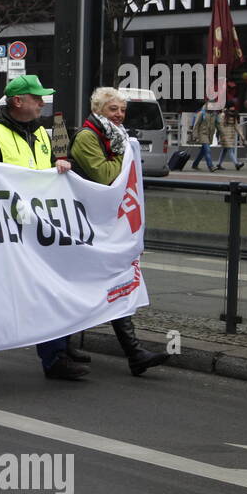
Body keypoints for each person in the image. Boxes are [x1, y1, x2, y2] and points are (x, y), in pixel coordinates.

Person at [0, 74, 87, 381]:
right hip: (5, 230)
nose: (42, 102)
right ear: (17, 101)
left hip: (38, 228)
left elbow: (44, 172)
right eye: (36, 98)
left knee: (47, 288)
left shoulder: (40, 133)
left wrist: (59, 168)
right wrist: (13, 210)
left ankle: (56, 355)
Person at [70, 87, 172, 377]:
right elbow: (104, 174)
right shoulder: (89, 137)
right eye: (114, 109)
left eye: (122, 110)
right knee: (81, 286)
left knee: (117, 280)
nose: (120, 115)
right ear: (99, 109)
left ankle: (134, 352)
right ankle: (61, 347)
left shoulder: (114, 136)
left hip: (106, 225)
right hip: (88, 225)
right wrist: (124, 154)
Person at [190, 102, 221, 171]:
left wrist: (220, 132)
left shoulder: (215, 115)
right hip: (202, 134)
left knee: (203, 152)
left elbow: (218, 125)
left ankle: (195, 164)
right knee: (207, 150)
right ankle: (211, 166)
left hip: (210, 135)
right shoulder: (201, 113)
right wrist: (195, 136)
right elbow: (196, 125)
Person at [216, 105, 245, 170]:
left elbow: (236, 126)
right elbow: (220, 125)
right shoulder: (223, 115)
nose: (233, 108)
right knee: (230, 149)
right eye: (231, 106)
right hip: (225, 135)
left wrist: (242, 136)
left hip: (230, 135)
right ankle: (236, 164)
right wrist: (222, 134)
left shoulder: (233, 116)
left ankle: (219, 164)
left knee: (224, 150)